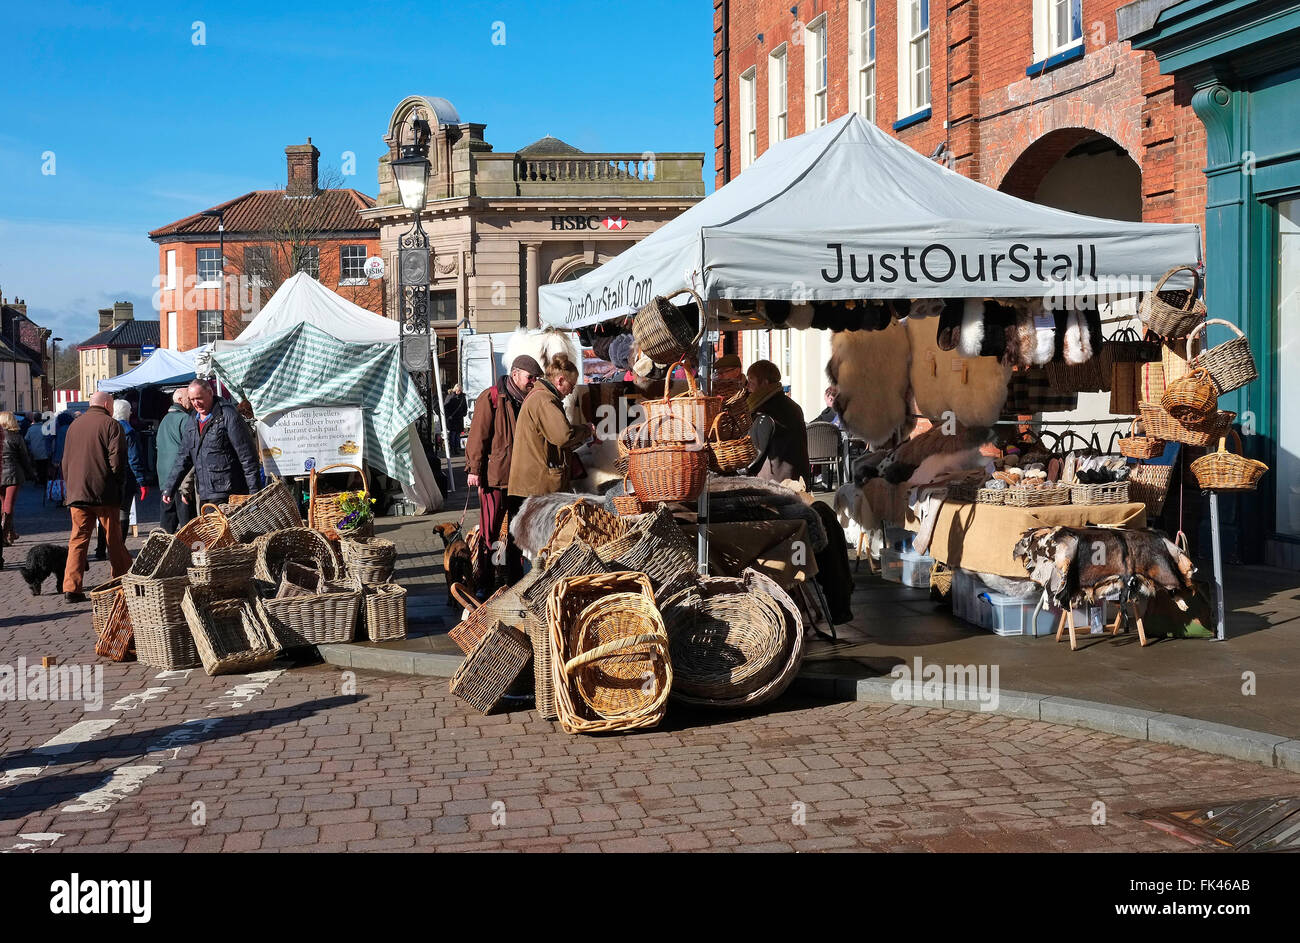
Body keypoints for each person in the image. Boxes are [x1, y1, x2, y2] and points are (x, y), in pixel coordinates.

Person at [507, 354, 594, 581]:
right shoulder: (545, 400)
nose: (570, 392)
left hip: (532, 482)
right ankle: (535, 589)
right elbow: (562, 435)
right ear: (560, 381)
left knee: (533, 545)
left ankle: (533, 585)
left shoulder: (540, 397)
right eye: (571, 386)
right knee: (537, 547)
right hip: (537, 484)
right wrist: (586, 430)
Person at [465, 355, 541, 596]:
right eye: (530, 377)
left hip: (520, 479)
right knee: (491, 533)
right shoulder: (492, 398)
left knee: (516, 530)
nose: (533, 382)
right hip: (495, 478)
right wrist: (474, 470)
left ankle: (513, 578)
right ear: (515, 374)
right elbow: (478, 435)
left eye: (536, 378)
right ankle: (488, 580)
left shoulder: (528, 400)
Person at [60, 391, 132, 601]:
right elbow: (117, 460)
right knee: (113, 539)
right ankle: (122, 579)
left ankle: (71, 587)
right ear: (108, 404)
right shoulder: (111, 425)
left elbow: (65, 461)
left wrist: (70, 485)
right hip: (104, 493)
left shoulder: (74, 425)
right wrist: (118, 483)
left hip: (77, 492)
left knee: (78, 539)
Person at [163, 378, 261, 508]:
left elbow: (247, 456)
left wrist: (254, 494)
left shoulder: (228, 415)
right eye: (192, 400)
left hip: (230, 493)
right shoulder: (192, 419)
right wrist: (170, 487)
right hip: (205, 493)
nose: (196, 403)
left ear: (210, 393)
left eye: (199, 398)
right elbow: (183, 456)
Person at [743, 360, 812, 489]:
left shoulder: (765, 411)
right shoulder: (792, 406)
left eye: (751, 381)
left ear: (764, 383)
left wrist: (740, 469)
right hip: (798, 479)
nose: (748, 386)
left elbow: (754, 452)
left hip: (775, 485)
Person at [105, 399, 147, 552]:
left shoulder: (106, 428)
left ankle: (102, 547)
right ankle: (119, 547)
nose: (131, 413)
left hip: (107, 477)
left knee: (107, 514)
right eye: (129, 410)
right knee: (123, 512)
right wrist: (141, 480)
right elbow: (133, 458)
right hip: (125, 477)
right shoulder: (128, 431)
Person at [156, 388, 194, 534]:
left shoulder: (164, 420)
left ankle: (165, 553)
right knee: (187, 526)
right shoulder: (185, 419)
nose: (191, 400)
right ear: (179, 400)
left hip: (165, 479)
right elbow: (190, 450)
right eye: (188, 398)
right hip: (180, 479)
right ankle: (190, 554)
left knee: (167, 525)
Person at [0, 411, 36, 545]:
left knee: (4, 504)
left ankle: (10, 532)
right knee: (8, 505)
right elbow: (24, 458)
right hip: (13, 474)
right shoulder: (15, 437)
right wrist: (31, 474)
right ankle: (4, 534)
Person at [25, 414, 49, 487]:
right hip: (44, 451)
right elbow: (49, 438)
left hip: (35, 451)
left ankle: (38, 480)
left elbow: (26, 439)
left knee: (37, 466)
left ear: (34, 420)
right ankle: (44, 481)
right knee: (44, 466)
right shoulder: (44, 428)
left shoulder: (30, 429)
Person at [443, 384, 468, 456]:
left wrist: (464, 413)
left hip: (459, 418)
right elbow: (446, 407)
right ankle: (452, 449)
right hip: (452, 418)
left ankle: (457, 448)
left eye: (460, 390)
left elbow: (465, 407)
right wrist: (448, 416)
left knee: (457, 434)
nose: (459, 392)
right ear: (455, 390)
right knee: (453, 434)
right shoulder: (450, 396)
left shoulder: (463, 397)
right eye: (457, 390)